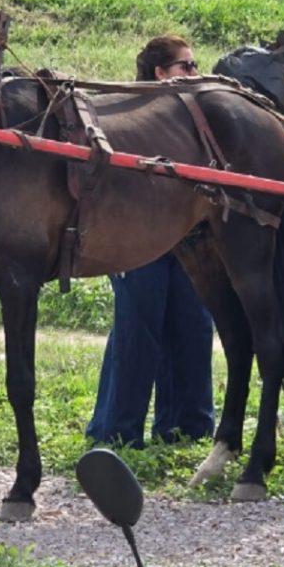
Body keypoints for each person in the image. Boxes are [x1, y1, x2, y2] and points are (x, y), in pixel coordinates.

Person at [86, 34, 216, 448]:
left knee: (193, 324)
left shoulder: (194, 118)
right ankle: (116, 430)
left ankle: (186, 428)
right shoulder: (132, 115)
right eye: (187, 67)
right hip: (137, 236)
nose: (196, 73)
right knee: (137, 329)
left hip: (184, 236)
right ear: (161, 73)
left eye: (196, 66)